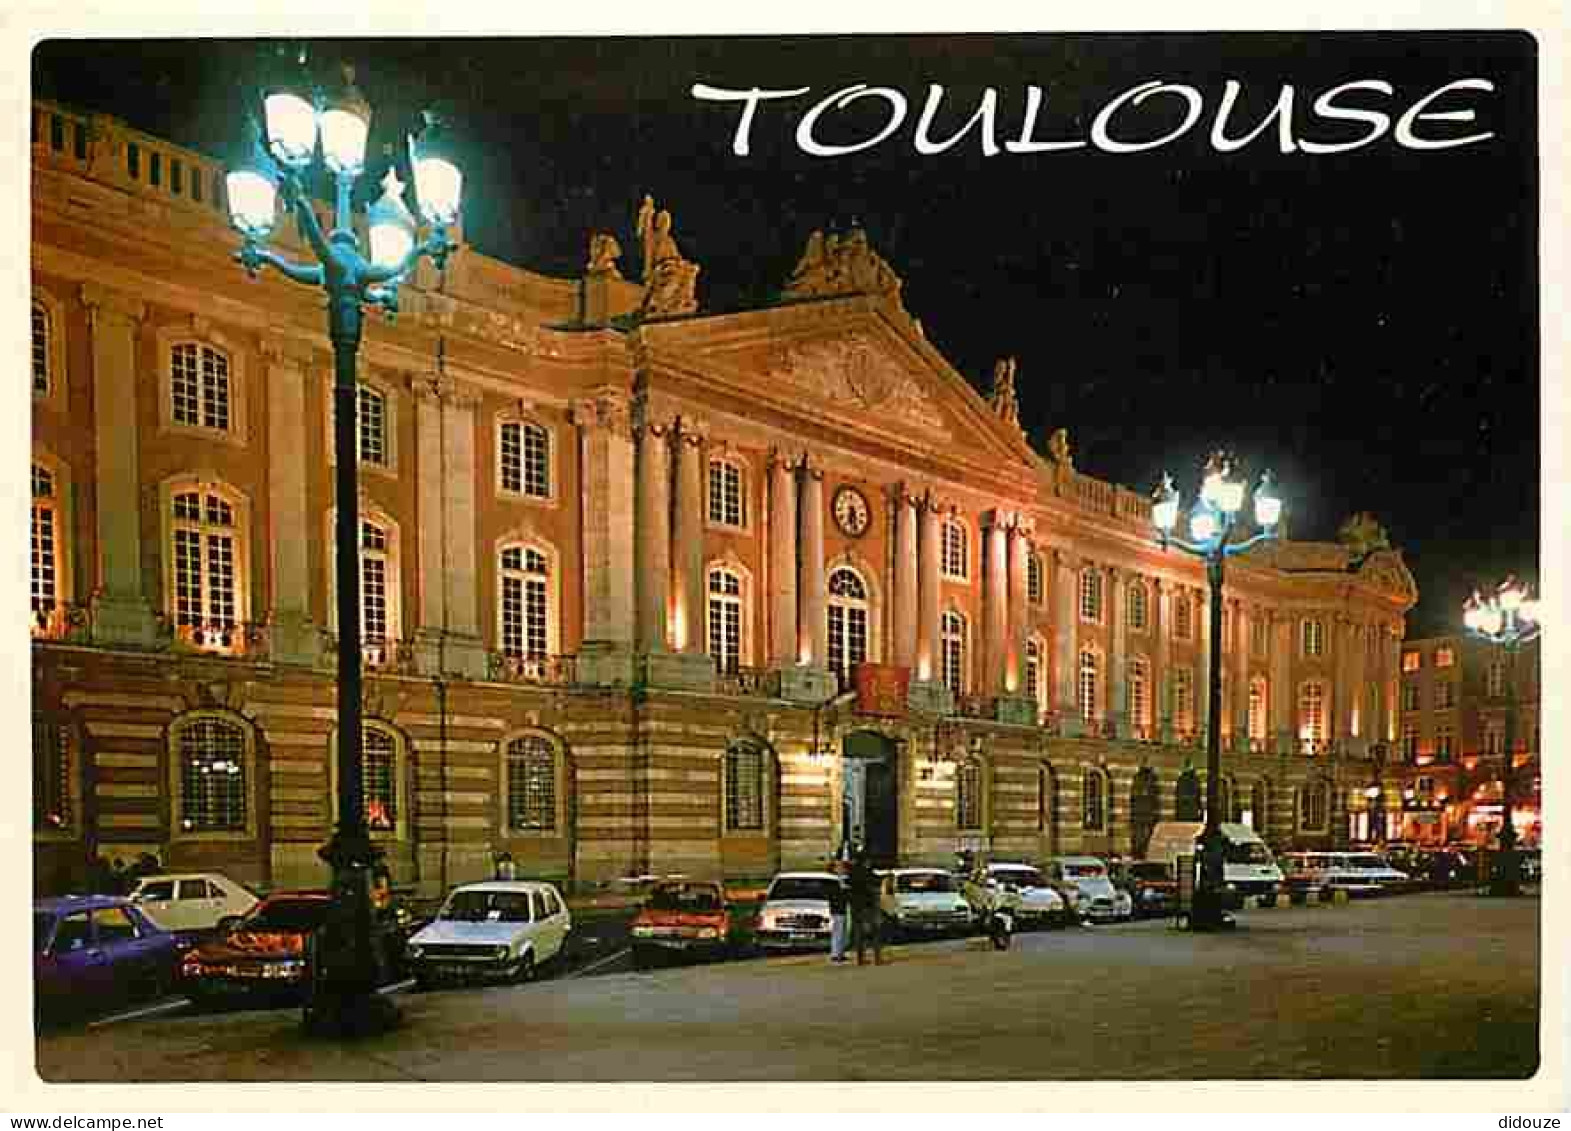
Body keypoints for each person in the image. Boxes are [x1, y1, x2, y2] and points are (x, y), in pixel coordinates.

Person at [848, 843, 884, 966]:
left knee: (859, 932)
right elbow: (874, 881)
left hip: (856, 905)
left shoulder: (853, 871)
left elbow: (849, 884)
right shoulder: (867, 871)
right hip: (868, 904)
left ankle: (860, 958)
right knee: (875, 931)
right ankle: (877, 958)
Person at [827, 857, 850, 964]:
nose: (843, 869)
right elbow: (834, 895)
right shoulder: (833, 880)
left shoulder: (842, 879)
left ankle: (840, 952)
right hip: (837, 908)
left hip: (841, 908)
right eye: (840, 867)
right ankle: (835, 954)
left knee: (842, 931)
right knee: (838, 931)